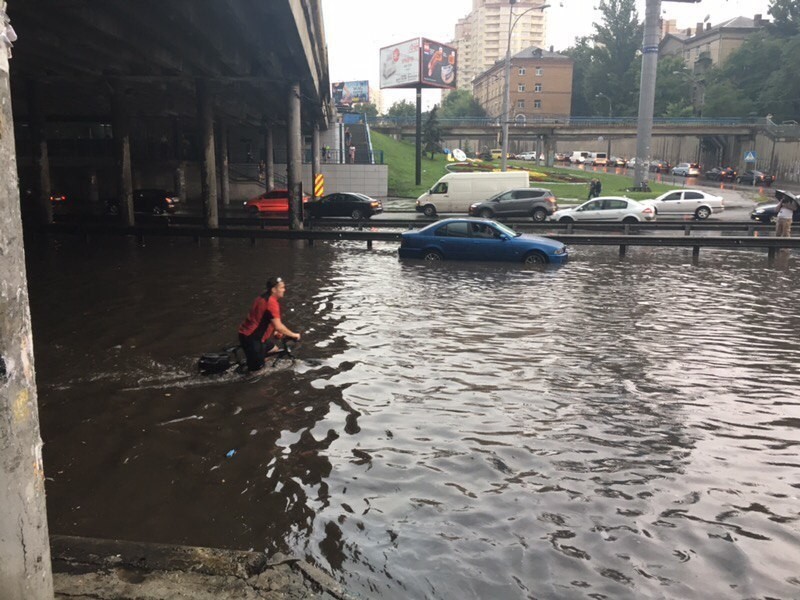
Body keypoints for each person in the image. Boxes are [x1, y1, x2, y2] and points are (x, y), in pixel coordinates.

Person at [238, 277, 301, 372]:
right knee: (256, 372)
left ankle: (259, 360)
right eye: (282, 287)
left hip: (251, 335)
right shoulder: (271, 303)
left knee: (274, 350)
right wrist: (294, 335)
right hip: (252, 338)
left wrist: (275, 331)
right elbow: (279, 326)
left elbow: (264, 318)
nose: (284, 290)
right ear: (273, 289)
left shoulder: (262, 297)